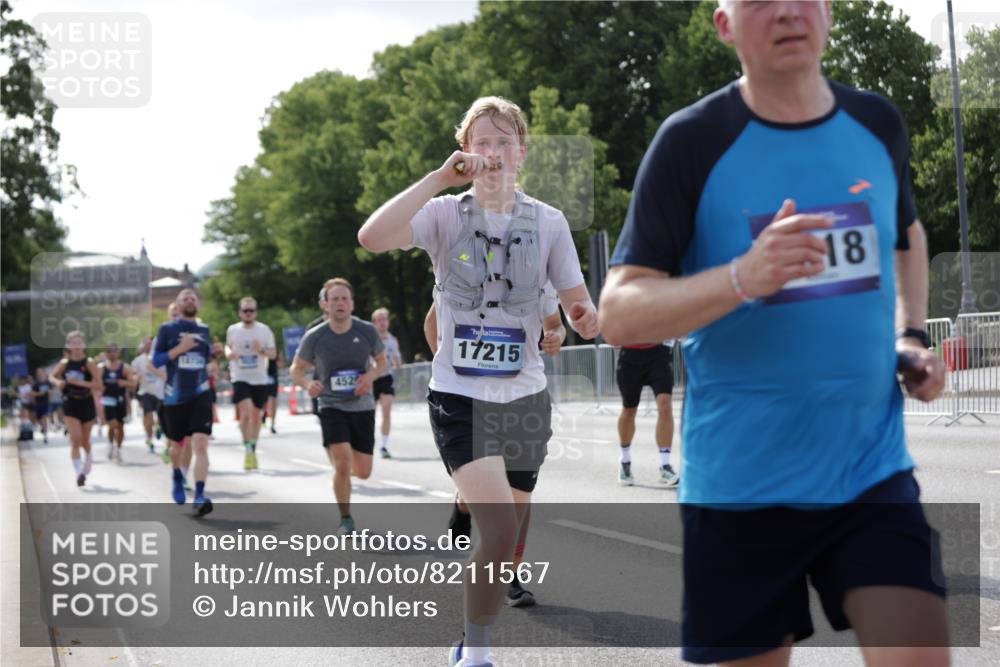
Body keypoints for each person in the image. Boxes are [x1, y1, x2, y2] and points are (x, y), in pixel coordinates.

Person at [598, 2, 949, 665]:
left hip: (870, 472)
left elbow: (906, 235)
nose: (788, 11)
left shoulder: (877, 123)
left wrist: (911, 336)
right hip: (741, 490)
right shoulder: (691, 141)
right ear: (725, 25)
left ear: (829, 13)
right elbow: (618, 311)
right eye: (761, 0)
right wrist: (743, 276)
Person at [358, 95, 599, 667]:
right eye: (481, 142)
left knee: (514, 519)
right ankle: (476, 652)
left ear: (522, 152)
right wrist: (439, 179)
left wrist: (586, 318)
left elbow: (577, 303)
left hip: (526, 397)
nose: (493, 153)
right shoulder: (445, 214)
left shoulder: (549, 222)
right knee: (499, 529)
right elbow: (372, 236)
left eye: (503, 142)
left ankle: (475, 626)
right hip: (460, 395)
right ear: (466, 150)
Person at [425, 284, 567, 609]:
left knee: (519, 496)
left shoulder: (537, 273)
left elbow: (555, 323)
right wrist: (448, 368)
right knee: (491, 489)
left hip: (523, 400)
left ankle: (510, 571)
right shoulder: (460, 270)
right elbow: (432, 323)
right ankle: (465, 506)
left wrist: (555, 336)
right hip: (469, 400)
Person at [290, 278, 387, 536]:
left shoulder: (366, 331)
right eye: (335, 299)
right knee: (342, 463)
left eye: (345, 298)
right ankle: (346, 518)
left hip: (362, 405)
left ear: (352, 304)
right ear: (326, 305)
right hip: (331, 404)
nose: (340, 303)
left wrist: (370, 377)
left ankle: (342, 477)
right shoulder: (315, 336)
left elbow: (382, 362)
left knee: (363, 472)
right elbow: (296, 369)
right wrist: (306, 383)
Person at [153, 288, 219, 516]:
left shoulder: (204, 329)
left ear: (197, 304)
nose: (190, 301)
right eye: (185, 299)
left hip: (201, 393)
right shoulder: (167, 329)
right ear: (178, 305)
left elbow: (205, 357)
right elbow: (156, 360)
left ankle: (199, 495)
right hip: (175, 396)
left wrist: (214, 355)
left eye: (193, 298)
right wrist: (180, 349)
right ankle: (177, 477)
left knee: (200, 443)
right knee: (177, 446)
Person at [615, 340, 679, 487]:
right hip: (630, 354)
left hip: (659, 353)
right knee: (629, 409)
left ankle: (665, 465)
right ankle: (625, 461)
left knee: (665, 406)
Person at [225, 297, 277, 470]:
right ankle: (247, 448)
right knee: (245, 413)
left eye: (251, 310)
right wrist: (228, 353)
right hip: (240, 376)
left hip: (259, 378)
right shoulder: (233, 330)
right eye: (245, 310)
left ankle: (253, 447)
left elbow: (273, 354)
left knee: (256, 416)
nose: (248, 313)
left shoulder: (264, 330)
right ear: (240, 312)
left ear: (256, 312)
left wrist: (261, 349)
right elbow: (227, 346)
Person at [50, 331, 103, 486]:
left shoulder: (89, 363)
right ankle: (79, 472)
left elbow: (99, 385)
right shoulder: (64, 363)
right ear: (68, 346)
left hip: (86, 403)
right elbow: (52, 376)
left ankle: (89, 458)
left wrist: (80, 383)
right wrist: (58, 382)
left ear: (84, 345)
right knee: (75, 440)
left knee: (85, 441)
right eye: (73, 343)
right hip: (70, 403)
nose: (77, 346)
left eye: (79, 342)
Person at [370, 307, 403, 458]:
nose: (382, 323)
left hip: (386, 378)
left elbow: (398, 362)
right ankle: (367, 442)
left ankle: (383, 446)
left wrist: (397, 362)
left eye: (384, 319)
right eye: (379, 320)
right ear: (374, 323)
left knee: (387, 411)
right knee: (369, 414)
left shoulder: (392, 340)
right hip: (371, 379)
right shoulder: (370, 339)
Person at [99, 343, 136, 463]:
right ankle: (111, 444)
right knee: (112, 425)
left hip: (121, 399)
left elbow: (133, 383)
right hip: (108, 399)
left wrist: (124, 383)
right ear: (106, 353)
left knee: (120, 427)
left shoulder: (124, 368)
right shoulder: (101, 368)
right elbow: (96, 384)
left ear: (118, 353)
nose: (112, 353)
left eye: (114, 351)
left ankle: (118, 449)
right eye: (109, 351)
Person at [132, 336, 166, 453]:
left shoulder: (161, 358)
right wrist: (136, 378)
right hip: (145, 391)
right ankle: (149, 439)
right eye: (147, 344)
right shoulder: (138, 361)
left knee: (160, 417)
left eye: (151, 344)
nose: (149, 346)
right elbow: (133, 375)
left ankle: (158, 427)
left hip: (160, 392)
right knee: (148, 416)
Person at [30, 369, 52, 444]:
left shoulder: (47, 383)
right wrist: (39, 394)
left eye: (41, 372)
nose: (40, 374)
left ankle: (45, 435)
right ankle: (42, 427)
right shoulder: (35, 384)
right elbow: (32, 393)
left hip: (45, 403)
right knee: (39, 418)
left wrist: (49, 396)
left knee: (44, 418)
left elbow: (51, 391)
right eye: (38, 373)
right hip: (38, 403)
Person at [263, 351, 280, 434]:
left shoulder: (274, 348)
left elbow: (279, 361)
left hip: (272, 375)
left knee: (273, 400)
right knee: (263, 401)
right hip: (261, 376)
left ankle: (272, 424)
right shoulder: (258, 345)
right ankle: (263, 415)